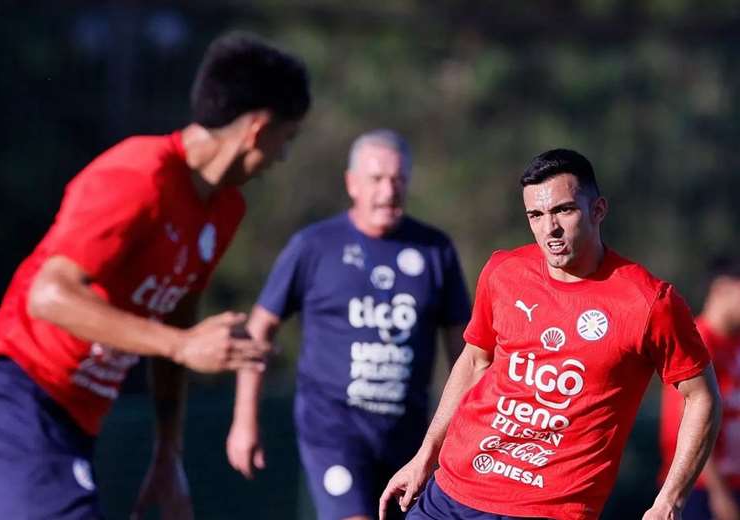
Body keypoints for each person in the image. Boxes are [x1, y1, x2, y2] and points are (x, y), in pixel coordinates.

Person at [0, 31, 310, 520]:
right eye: (286, 141)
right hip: (14, 393)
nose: (281, 158)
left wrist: (167, 452)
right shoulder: (138, 173)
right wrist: (182, 345)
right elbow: (49, 296)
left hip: (74, 420)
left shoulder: (223, 210)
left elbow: (179, 320)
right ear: (257, 131)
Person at [380, 148, 722, 520]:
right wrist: (425, 456)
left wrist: (668, 502)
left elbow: (701, 398)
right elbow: (476, 361)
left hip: (547, 510)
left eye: (564, 210)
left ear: (598, 210)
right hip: (451, 493)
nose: (550, 228)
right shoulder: (503, 272)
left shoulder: (649, 302)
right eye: (536, 215)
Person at [227, 129, 472, 520]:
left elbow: (467, 349)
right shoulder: (314, 246)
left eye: (398, 180)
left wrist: (462, 425)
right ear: (352, 183)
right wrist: (244, 419)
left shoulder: (434, 250)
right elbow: (259, 329)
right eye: (377, 179)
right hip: (333, 429)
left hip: (407, 434)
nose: (388, 190)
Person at [659, 257, 740, 520]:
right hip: (698, 491)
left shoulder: (735, 344)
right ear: (723, 289)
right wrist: (719, 494)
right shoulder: (697, 342)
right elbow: (687, 425)